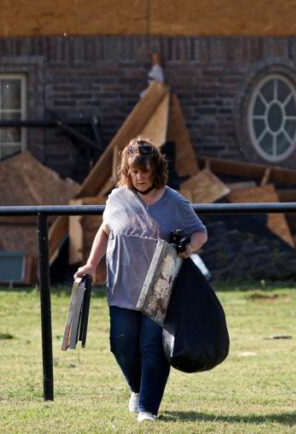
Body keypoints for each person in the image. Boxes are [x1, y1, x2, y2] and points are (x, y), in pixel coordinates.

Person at [74, 138, 208, 423]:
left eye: (145, 171)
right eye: (135, 171)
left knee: (151, 346)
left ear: (156, 170)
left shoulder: (174, 202)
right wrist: (90, 264)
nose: (140, 177)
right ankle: (136, 388)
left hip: (160, 287)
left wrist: (188, 247)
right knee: (121, 343)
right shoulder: (116, 198)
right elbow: (105, 231)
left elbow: (200, 232)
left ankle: (148, 408)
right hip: (122, 285)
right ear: (127, 171)